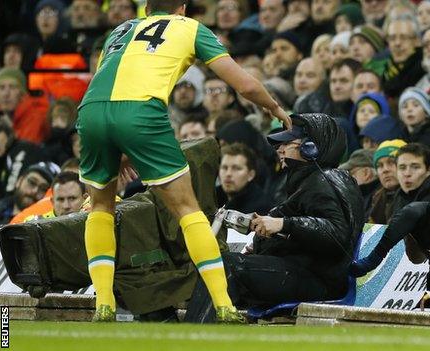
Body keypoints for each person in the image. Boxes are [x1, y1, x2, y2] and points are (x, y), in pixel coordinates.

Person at [77, 0, 291, 323]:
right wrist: (274, 108)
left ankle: (103, 305)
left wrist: (118, 143)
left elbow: (111, 82)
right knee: (188, 209)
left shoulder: (118, 30)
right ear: (182, 8)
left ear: (147, 9)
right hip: (141, 112)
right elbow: (245, 84)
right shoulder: (190, 28)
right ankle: (224, 306)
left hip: (91, 110)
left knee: (101, 207)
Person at [185, 113, 364, 323]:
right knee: (221, 265)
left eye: (287, 143)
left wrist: (283, 224)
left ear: (310, 147)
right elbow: (305, 238)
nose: (279, 149)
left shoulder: (323, 180)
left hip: (319, 282)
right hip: (307, 274)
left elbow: (336, 234)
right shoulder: (311, 180)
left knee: (224, 266)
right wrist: (268, 241)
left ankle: (192, 335)